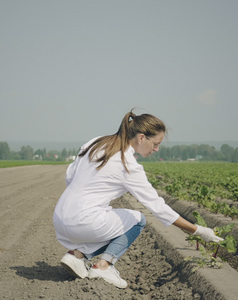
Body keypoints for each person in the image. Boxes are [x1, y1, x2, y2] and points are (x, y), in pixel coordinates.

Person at [53, 110, 223, 289]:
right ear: (141, 138)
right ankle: (104, 267)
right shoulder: (129, 165)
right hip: (83, 221)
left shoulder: (97, 142)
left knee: (110, 220)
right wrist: (197, 231)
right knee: (137, 220)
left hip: (60, 215)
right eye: (156, 143)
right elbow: (158, 208)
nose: (156, 149)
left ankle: (77, 256)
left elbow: (70, 175)